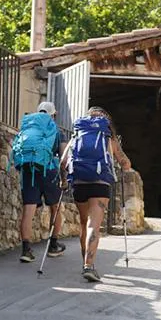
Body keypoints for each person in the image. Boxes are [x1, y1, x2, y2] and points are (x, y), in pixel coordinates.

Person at [60, 106, 132, 282]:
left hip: (79, 183)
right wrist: (119, 158)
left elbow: (63, 162)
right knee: (94, 225)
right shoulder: (109, 138)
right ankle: (89, 265)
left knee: (84, 224)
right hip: (100, 184)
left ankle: (85, 262)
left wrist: (63, 182)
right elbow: (126, 164)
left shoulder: (77, 135)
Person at [12, 101, 68, 263]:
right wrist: (64, 179)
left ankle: (26, 250)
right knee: (55, 208)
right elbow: (63, 159)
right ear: (53, 115)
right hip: (49, 171)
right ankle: (53, 246)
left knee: (28, 210)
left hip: (29, 170)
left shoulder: (28, 127)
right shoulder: (57, 131)